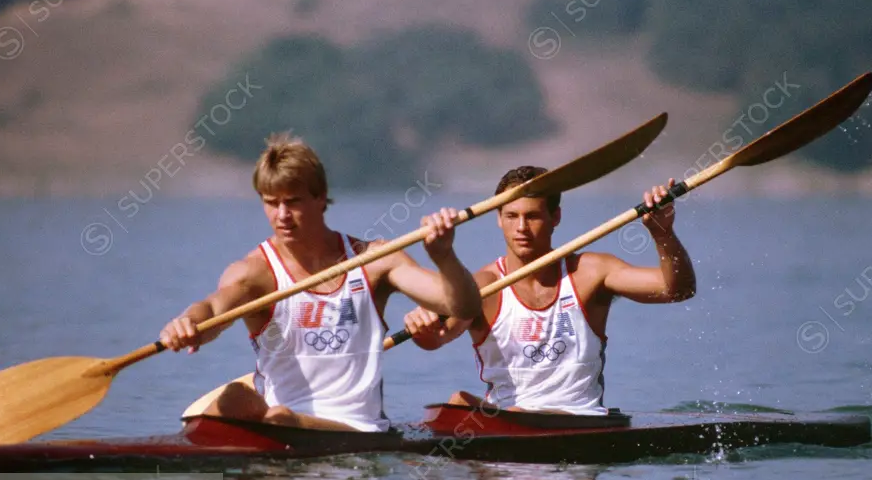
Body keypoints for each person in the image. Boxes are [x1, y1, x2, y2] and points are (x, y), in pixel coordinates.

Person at [160, 132, 481, 432]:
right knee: (233, 398)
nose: (282, 215)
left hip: (357, 429)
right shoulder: (254, 273)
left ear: (321, 198)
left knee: (277, 416)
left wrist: (444, 256)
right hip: (279, 420)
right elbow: (214, 308)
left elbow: (462, 305)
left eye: (293, 201)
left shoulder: (374, 260)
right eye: (271, 202)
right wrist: (189, 323)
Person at [402, 166, 696, 415]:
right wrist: (422, 328)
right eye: (511, 216)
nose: (521, 228)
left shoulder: (591, 273)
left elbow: (678, 290)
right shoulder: (483, 286)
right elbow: (437, 339)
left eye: (532, 216)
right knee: (456, 404)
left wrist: (662, 234)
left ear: (555, 217)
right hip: (507, 426)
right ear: (498, 218)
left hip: (580, 424)